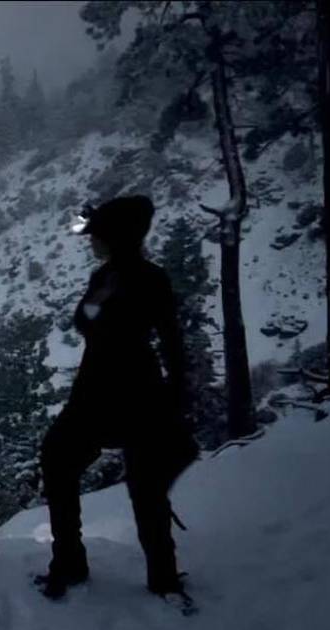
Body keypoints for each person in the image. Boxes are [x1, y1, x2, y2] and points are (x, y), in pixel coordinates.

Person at [35, 194, 199, 601]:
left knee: (66, 462)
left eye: (97, 236)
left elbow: (86, 322)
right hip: (135, 391)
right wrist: (177, 395)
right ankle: (160, 579)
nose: (92, 242)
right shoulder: (138, 277)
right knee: (144, 489)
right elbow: (169, 341)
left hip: (105, 391)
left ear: (113, 239)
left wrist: (100, 298)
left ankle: (74, 564)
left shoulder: (123, 279)